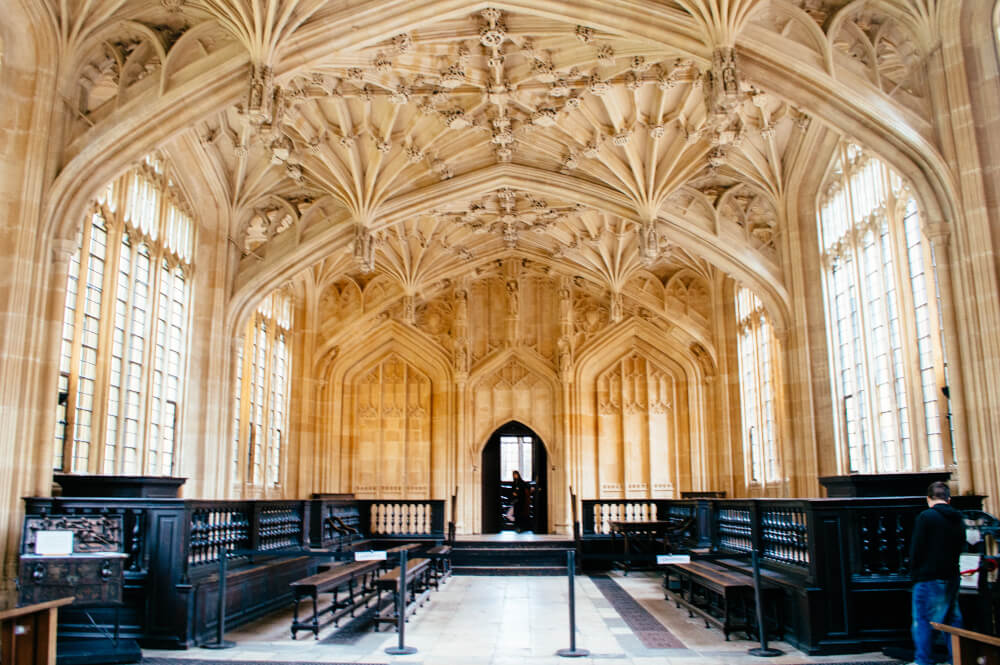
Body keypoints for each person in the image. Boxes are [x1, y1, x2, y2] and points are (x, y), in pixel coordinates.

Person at [908, 481, 965, 665]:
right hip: (952, 576)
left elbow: (917, 549)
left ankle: (923, 660)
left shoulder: (926, 517)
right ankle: (955, 659)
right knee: (951, 621)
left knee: (923, 621)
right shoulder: (958, 518)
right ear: (948, 499)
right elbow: (960, 545)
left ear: (928, 499)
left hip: (928, 576)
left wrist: (915, 573)